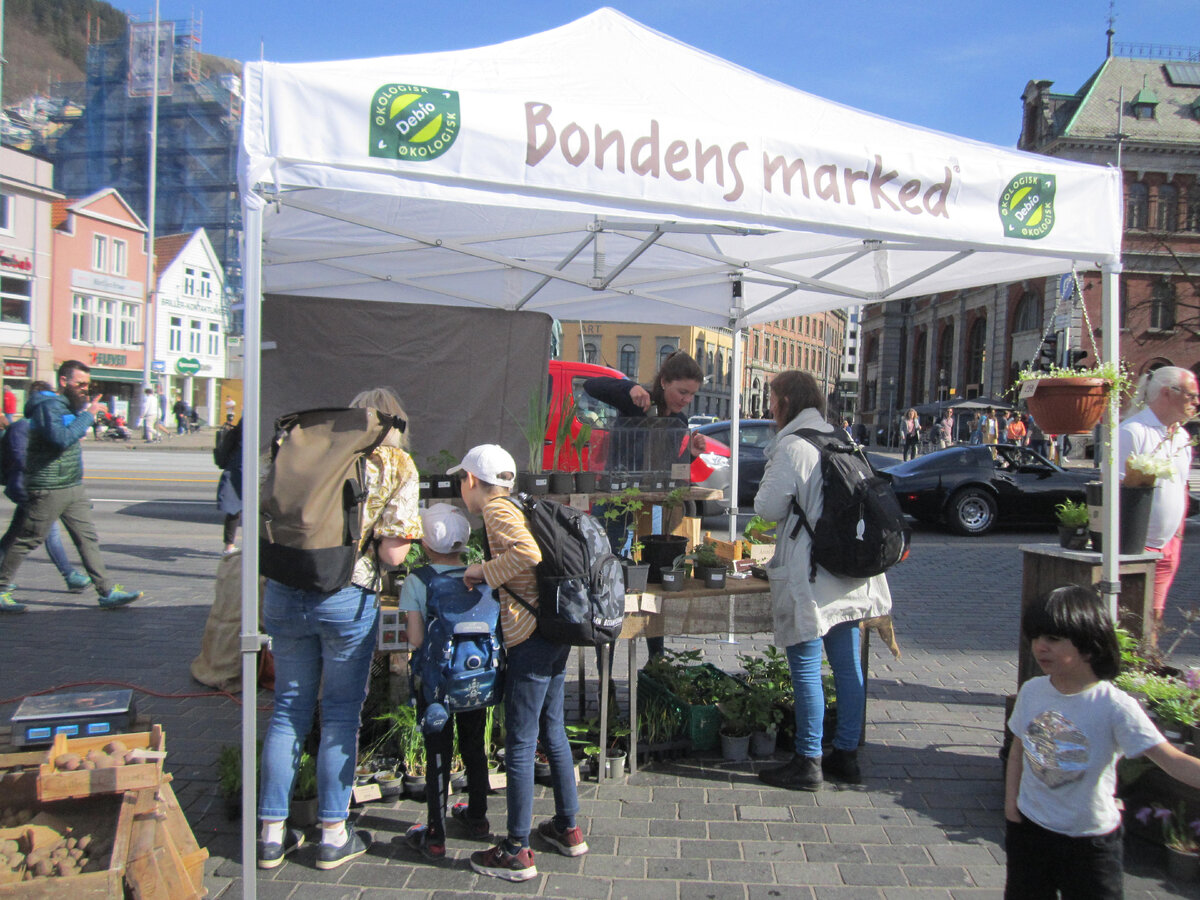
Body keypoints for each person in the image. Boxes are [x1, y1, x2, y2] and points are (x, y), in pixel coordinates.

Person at [257, 386, 422, 871]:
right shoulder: (395, 463)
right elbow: (393, 552)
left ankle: (270, 836)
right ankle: (333, 834)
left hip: (284, 588)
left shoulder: (302, 450)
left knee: (288, 709)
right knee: (340, 715)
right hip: (345, 597)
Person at [1005, 584, 1200, 899]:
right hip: (1030, 831)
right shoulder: (1033, 691)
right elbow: (1018, 749)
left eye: (1053, 638)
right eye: (1036, 637)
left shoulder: (1114, 706)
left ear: (1088, 645)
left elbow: (1171, 760)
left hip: (1090, 845)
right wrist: (1011, 807)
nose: (1040, 647)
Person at [453, 444, 587, 882]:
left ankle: (515, 849)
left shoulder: (496, 510)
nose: (461, 489)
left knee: (521, 741)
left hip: (530, 634)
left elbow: (527, 554)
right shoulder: (519, 503)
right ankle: (567, 828)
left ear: (473, 480)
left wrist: (481, 572)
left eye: (461, 481)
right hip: (554, 627)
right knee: (552, 729)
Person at [752, 371, 891, 791]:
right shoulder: (842, 437)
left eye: (772, 400)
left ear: (786, 402)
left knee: (806, 667)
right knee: (847, 666)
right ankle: (845, 754)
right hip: (849, 569)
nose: (769, 408)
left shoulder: (793, 445)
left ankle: (808, 760)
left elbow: (767, 508)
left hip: (812, 573)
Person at [583, 350, 706, 658]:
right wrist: (629, 387)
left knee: (654, 580)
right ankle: (606, 664)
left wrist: (690, 455)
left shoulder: (679, 421)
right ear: (664, 382)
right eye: (682, 391)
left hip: (654, 508)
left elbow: (670, 469)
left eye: (692, 394)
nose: (686, 400)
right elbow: (591, 385)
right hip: (616, 503)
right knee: (609, 578)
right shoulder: (637, 402)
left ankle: (657, 658)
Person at [0, 362, 141, 612]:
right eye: (80, 384)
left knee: (87, 539)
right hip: (49, 486)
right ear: (64, 381)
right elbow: (61, 439)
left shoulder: (66, 406)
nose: (85, 388)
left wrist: (84, 413)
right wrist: (88, 415)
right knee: (28, 539)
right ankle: (1, 589)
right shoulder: (48, 407)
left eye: (87, 384)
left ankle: (107, 591)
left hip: (71, 485)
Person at [401, 503, 491, 861]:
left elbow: (415, 638)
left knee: (437, 750)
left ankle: (436, 834)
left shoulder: (418, 580)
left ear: (425, 544)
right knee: (474, 744)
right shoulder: (480, 574)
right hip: (475, 677)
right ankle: (478, 817)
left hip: (436, 682)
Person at [1117, 366, 1199, 644]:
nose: (1196, 402)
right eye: (1191, 395)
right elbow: (1114, 489)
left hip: (1169, 543)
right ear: (1168, 393)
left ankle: (1146, 662)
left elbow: (1181, 485)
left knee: (1154, 616)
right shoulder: (1133, 431)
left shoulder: (1182, 437)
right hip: (1137, 545)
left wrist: (1177, 534)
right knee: (1130, 617)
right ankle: (1133, 664)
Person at [0, 380, 91, 612]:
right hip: (32, 489)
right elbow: (22, 461)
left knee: (16, 536)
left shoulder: (39, 424)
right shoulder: (24, 427)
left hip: (41, 488)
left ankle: (69, 575)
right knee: (42, 534)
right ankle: (69, 575)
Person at [215, 419, 242, 556]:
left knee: (234, 507)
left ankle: (229, 546)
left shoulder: (248, 418)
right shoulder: (257, 417)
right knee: (235, 507)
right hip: (242, 465)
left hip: (238, 465)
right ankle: (229, 546)